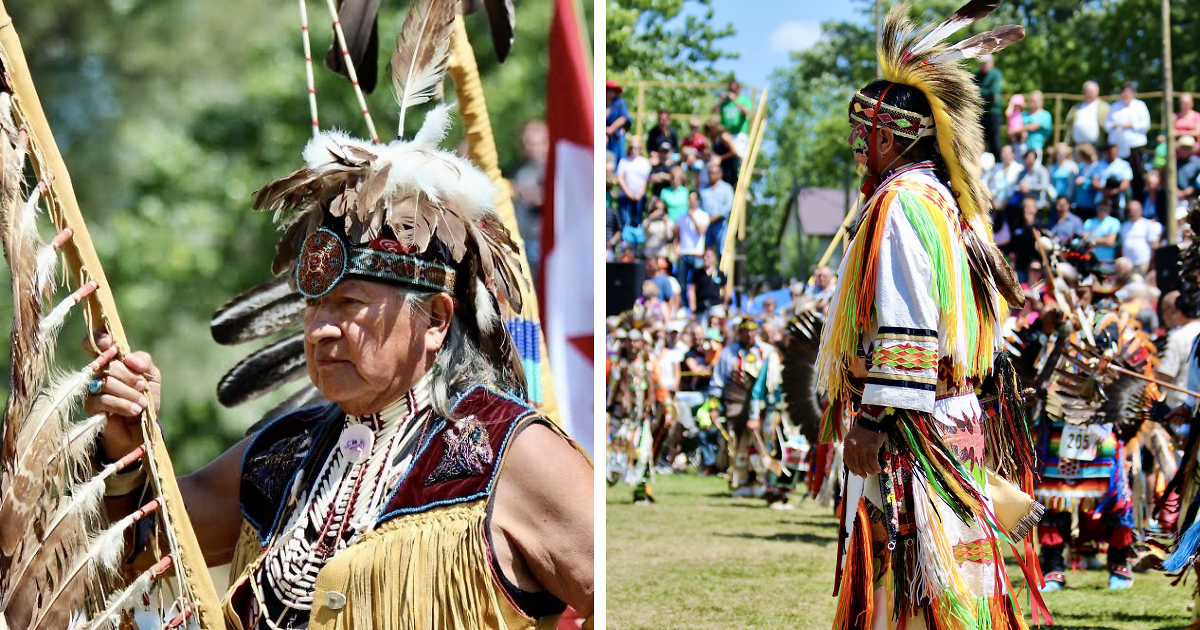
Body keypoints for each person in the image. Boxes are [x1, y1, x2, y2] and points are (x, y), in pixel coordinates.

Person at [93, 97, 594, 627]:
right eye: (313, 306)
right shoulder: (282, 455)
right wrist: (126, 442)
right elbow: (141, 547)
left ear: (437, 320)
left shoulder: (512, 455)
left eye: (349, 304)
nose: (320, 329)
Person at [819, 6, 1037, 626]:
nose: (857, 148)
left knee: (918, 589)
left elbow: (907, 319)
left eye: (861, 135)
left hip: (912, 430)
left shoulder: (904, 203)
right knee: (949, 585)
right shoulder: (947, 205)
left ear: (886, 137)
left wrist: (874, 417)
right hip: (944, 416)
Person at [1104, 82, 1151, 199]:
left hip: (1135, 145)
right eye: (1123, 92)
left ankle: (1137, 199)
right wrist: (1113, 126)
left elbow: (1146, 124)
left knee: (1136, 174)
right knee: (1117, 174)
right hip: (1118, 147)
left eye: (1128, 92)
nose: (1125, 95)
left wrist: (1130, 125)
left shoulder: (1140, 105)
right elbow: (1106, 125)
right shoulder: (1115, 107)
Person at [1157, 290, 1200, 410]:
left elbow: (1166, 377)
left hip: (1180, 411)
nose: (1163, 317)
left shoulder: (1179, 337)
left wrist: (1150, 370)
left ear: (1176, 310)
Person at [675, 191, 710, 294]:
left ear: (698, 201)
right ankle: (683, 306)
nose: (690, 202)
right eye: (689, 199)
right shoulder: (681, 217)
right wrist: (676, 249)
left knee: (698, 282)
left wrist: (692, 218)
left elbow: (701, 231)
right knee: (681, 283)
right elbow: (676, 236)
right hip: (683, 254)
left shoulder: (703, 215)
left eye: (692, 199)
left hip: (697, 254)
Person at [1118, 199, 1162, 276]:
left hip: (1144, 262)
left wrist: (1152, 264)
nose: (1132, 213)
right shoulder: (1124, 226)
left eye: (1135, 210)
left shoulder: (1147, 224)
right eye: (1130, 210)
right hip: (1128, 265)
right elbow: (1120, 245)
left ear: (1140, 211)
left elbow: (1154, 245)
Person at [699, 162, 734, 256]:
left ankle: (722, 271)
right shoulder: (703, 190)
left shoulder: (726, 188)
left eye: (713, 173)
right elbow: (699, 206)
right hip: (706, 224)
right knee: (706, 251)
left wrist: (715, 218)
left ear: (720, 174)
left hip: (721, 224)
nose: (710, 175)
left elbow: (728, 206)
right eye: (709, 173)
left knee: (721, 251)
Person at [616, 137, 651, 231]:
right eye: (631, 147)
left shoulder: (645, 162)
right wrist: (629, 193)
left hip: (639, 197)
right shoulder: (624, 161)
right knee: (625, 221)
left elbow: (645, 181)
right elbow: (620, 178)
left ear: (640, 149)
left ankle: (636, 243)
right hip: (625, 196)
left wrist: (639, 194)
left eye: (635, 147)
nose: (633, 150)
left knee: (637, 221)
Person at [974, 53, 1003, 158]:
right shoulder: (975, 75)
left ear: (992, 63)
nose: (984, 65)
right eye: (982, 63)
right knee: (977, 141)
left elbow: (993, 93)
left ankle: (997, 162)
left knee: (994, 141)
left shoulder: (996, 74)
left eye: (985, 63)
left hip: (993, 113)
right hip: (979, 113)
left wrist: (978, 93)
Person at [1065, 80, 1110, 147]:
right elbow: (1069, 126)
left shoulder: (1104, 107)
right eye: (1086, 92)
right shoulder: (1076, 107)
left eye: (1091, 92)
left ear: (1097, 93)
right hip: (1077, 147)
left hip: (1097, 148)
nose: (1088, 94)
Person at [714, 78, 752, 154]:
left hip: (739, 133)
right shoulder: (724, 102)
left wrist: (735, 100)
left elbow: (746, 112)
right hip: (726, 135)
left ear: (738, 89)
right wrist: (720, 100)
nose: (732, 92)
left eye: (734, 90)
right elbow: (713, 111)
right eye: (730, 90)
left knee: (738, 155)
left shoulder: (744, 100)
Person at [688, 248, 727, 321]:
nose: (705, 259)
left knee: (720, 325)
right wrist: (693, 310)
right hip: (701, 306)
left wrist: (725, 303)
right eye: (704, 256)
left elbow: (726, 288)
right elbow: (691, 290)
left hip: (716, 305)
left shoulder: (719, 273)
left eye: (708, 256)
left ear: (714, 258)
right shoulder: (697, 273)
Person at [1094, 142, 1133, 214]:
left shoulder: (1124, 165)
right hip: (1101, 200)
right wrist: (1105, 190)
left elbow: (1126, 183)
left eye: (1114, 152)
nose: (1112, 154)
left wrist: (1115, 191)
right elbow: (1095, 181)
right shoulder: (1098, 164)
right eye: (1110, 152)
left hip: (1118, 201)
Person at [708, 119, 741, 187]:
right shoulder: (713, 139)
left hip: (730, 166)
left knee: (730, 184)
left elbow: (734, 152)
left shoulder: (723, 136)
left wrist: (720, 158)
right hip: (722, 167)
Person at [1022, 90, 1053, 162]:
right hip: (1021, 147)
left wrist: (1020, 129)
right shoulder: (1023, 114)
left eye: (1034, 101)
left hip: (1036, 148)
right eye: (1030, 100)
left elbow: (1033, 126)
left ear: (1041, 101)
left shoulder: (1045, 115)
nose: (1032, 103)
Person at [1073, 142, 1101, 220]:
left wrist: (1084, 181)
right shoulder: (1081, 166)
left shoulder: (1095, 166)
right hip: (1079, 201)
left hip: (1090, 202)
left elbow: (1097, 184)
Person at [606, 80, 630, 167]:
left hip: (616, 138)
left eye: (612, 90)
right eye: (607, 89)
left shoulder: (620, 102)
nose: (609, 92)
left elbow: (624, 118)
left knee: (618, 161)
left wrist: (611, 129)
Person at [1177, 135, 1200, 202]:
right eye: (1183, 147)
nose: (1185, 150)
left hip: (1194, 198)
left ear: (1192, 149)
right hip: (1177, 199)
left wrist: (1192, 190)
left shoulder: (1198, 163)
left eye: (1187, 147)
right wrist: (1177, 192)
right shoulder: (1175, 164)